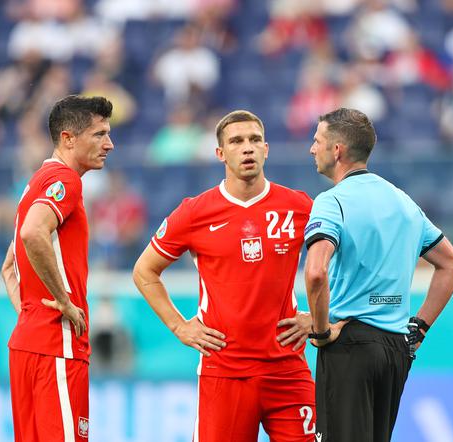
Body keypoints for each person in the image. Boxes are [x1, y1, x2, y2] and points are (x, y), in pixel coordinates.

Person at [132, 110, 316, 441]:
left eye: (254, 140)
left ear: (266, 149)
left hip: (287, 370)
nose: (247, 148)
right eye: (236, 141)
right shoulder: (194, 212)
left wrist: (317, 317)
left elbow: (345, 263)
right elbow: (145, 271)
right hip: (225, 371)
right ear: (220, 153)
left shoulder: (299, 206)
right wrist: (179, 325)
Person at [303, 108, 453, 442]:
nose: (311, 148)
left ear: (337, 150)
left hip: (350, 344)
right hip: (396, 348)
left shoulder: (331, 202)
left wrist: (320, 331)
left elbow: (316, 273)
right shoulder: (404, 202)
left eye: (317, 141)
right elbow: (452, 265)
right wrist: (417, 328)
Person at [0, 95, 114, 441]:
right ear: (68, 138)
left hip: (29, 341)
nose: (109, 144)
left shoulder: (35, 183)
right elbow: (33, 233)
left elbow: (8, 267)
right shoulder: (66, 180)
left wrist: (30, 312)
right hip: (58, 343)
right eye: (99, 135)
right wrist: (63, 301)